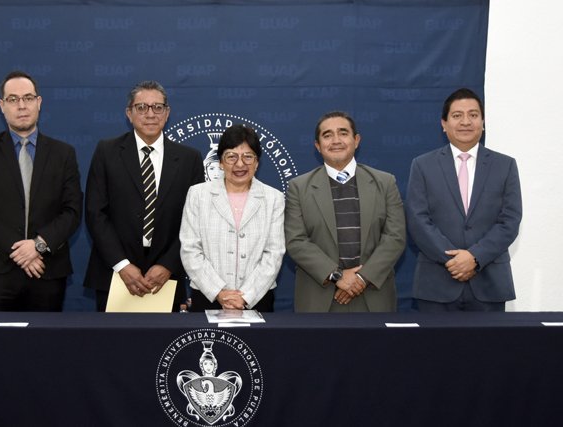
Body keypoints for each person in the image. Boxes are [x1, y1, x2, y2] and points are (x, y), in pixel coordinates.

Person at [0, 70, 82, 311]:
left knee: (46, 336)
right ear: (2, 106)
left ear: (39, 102)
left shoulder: (63, 153)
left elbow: (72, 211)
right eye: (13, 99)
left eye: (28, 98)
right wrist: (19, 250)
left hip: (47, 269)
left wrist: (38, 245)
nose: (21, 106)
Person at [84, 80, 204, 312]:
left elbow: (195, 221)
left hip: (166, 278)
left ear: (167, 113)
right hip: (115, 274)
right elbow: (95, 213)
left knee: (164, 337)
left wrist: (168, 265)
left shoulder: (189, 159)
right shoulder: (107, 152)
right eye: (141, 107)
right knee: (112, 337)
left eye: (157, 107)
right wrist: (122, 265)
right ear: (129, 113)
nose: (150, 114)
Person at [406, 88, 522, 312]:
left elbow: (510, 221)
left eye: (473, 115)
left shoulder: (505, 165)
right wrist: (455, 261)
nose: (466, 122)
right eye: (457, 115)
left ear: (483, 122)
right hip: (436, 283)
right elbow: (417, 220)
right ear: (444, 123)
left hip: (489, 283)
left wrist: (475, 257)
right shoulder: (422, 165)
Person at [285, 111, 406, 312]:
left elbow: (395, 237)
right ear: (317, 146)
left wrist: (361, 279)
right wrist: (337, 276)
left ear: (356, 140)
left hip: (373, 296)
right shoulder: (298, 187)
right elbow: (296, 241)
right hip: (319, 299)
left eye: (343, 133)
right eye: (327, 135)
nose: (336, 140)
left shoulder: (385, 183)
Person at [180, 124, 285, 312]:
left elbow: (274, 253)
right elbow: (190, 249)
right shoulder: (198, 195)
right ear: (220, 162)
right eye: (231, 156)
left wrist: (246, 296)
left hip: (258, 298)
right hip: (207, 296)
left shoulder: (273, 198)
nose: (240, 164)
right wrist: (219, 292)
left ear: (257, 162)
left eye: (248, 156)